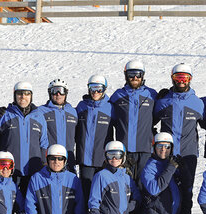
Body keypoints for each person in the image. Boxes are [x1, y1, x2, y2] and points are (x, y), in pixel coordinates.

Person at [153, 63, 204, 214]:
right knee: (166, 192)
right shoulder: (163, 102)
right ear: (172, 79)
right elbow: (148, 122)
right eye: (178, 78)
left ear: (190, 79)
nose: (181, 81)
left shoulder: (197, 103)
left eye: (185, 78)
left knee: (186, 193)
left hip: (188, 155)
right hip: (166, 155)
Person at [0, 81, 49, 196]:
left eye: (27, 94)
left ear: (31, 96)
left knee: (30, 204)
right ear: (15, 96)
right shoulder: (6, 115)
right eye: (19, 94)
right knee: (9, 204)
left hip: (33, 170)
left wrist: (43, 166)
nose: (23, 97)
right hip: (9, 170)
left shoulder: (38, 116)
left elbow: (44, 144)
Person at [109, 60, 157, 183]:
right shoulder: (118, 96)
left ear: (143, 75)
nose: (135, 78)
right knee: (125, 185)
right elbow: (111, 118)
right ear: (126, 75)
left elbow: (158, 114)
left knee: (144, 184)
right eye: (131, 74)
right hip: (125, 150)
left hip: (145, 149)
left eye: (138, 74)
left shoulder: (152, 95)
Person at [138, 132, 183, 214]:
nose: (164, 150)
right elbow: (154, 189)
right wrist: (171, 168)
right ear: (154, 147)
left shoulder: (171, 165)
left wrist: (182, 171)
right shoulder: (150, 167)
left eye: (167, 147)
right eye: (160, 146)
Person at [75, 75, 113, 206]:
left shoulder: (110, 107)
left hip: (102, 160)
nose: (95, 92)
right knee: (85, 196)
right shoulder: (81, 107)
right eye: (92, 88)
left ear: (104, 89)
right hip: (85, 160)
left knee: (101, 196)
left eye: (99, 89)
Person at [41, 79, 78, 173]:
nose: (58, 94)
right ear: (50, 93)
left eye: (61, 91)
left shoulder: (73, 112)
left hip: (68, 160)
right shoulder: (41, 111)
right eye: (54, 91)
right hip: (50, 160)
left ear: (66, 93)